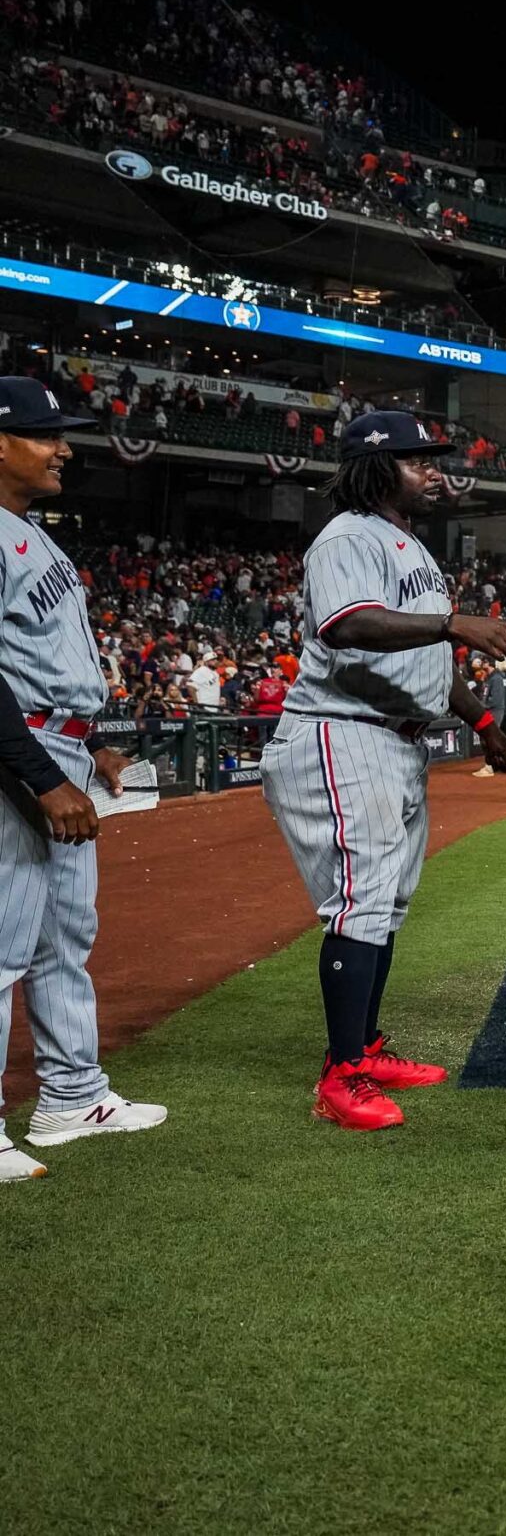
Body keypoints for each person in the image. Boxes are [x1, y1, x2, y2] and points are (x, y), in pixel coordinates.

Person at [261, 409, 506, 1131]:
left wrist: (481, 720)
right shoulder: (346, 537)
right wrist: (451, 622)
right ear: (378, 467)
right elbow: (346, 625)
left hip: (392, 738)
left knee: (386, 900)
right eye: (418, 459)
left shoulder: (405, 543)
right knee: (360, 899)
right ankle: (340, 1077)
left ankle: (364, 1048)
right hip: (342, 733)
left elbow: (424, 662)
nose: (433, 470)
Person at [0, 376, 168, 1182]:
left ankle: (71, 1095)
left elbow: (46, 661)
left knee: (64, 939)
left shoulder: (32, 532)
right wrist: (41, 777)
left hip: (59, 746)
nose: (64, 446)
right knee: (0, 945)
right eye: (45, 433)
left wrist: (93, 746)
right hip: (18, 756)